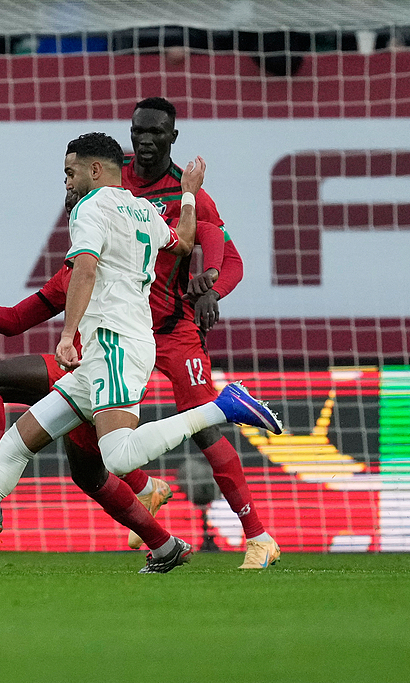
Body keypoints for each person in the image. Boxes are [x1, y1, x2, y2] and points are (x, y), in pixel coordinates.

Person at [0, 132, 282, 574]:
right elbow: (180, 242)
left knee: (117, 457)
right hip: (112, 347)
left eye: (70, 171)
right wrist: (190, 195)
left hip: (115, 343)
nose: (66, 181)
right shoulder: (142, 209)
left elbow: (85, 267)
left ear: (95, 170)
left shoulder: (91, 207)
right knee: (14, 444)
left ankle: (221, 408)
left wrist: (66, 336)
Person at [124, 97, 279, 569]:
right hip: (125, 331)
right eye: (138, 132)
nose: (146, 141)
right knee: (93, 420)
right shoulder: (113, 182)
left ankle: (259, 537)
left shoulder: (191, 195)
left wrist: (211, 290)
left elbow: (230, 260)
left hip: (174, 330)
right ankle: (145, 491)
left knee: (206, 428)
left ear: (173, 137)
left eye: (156, 133)